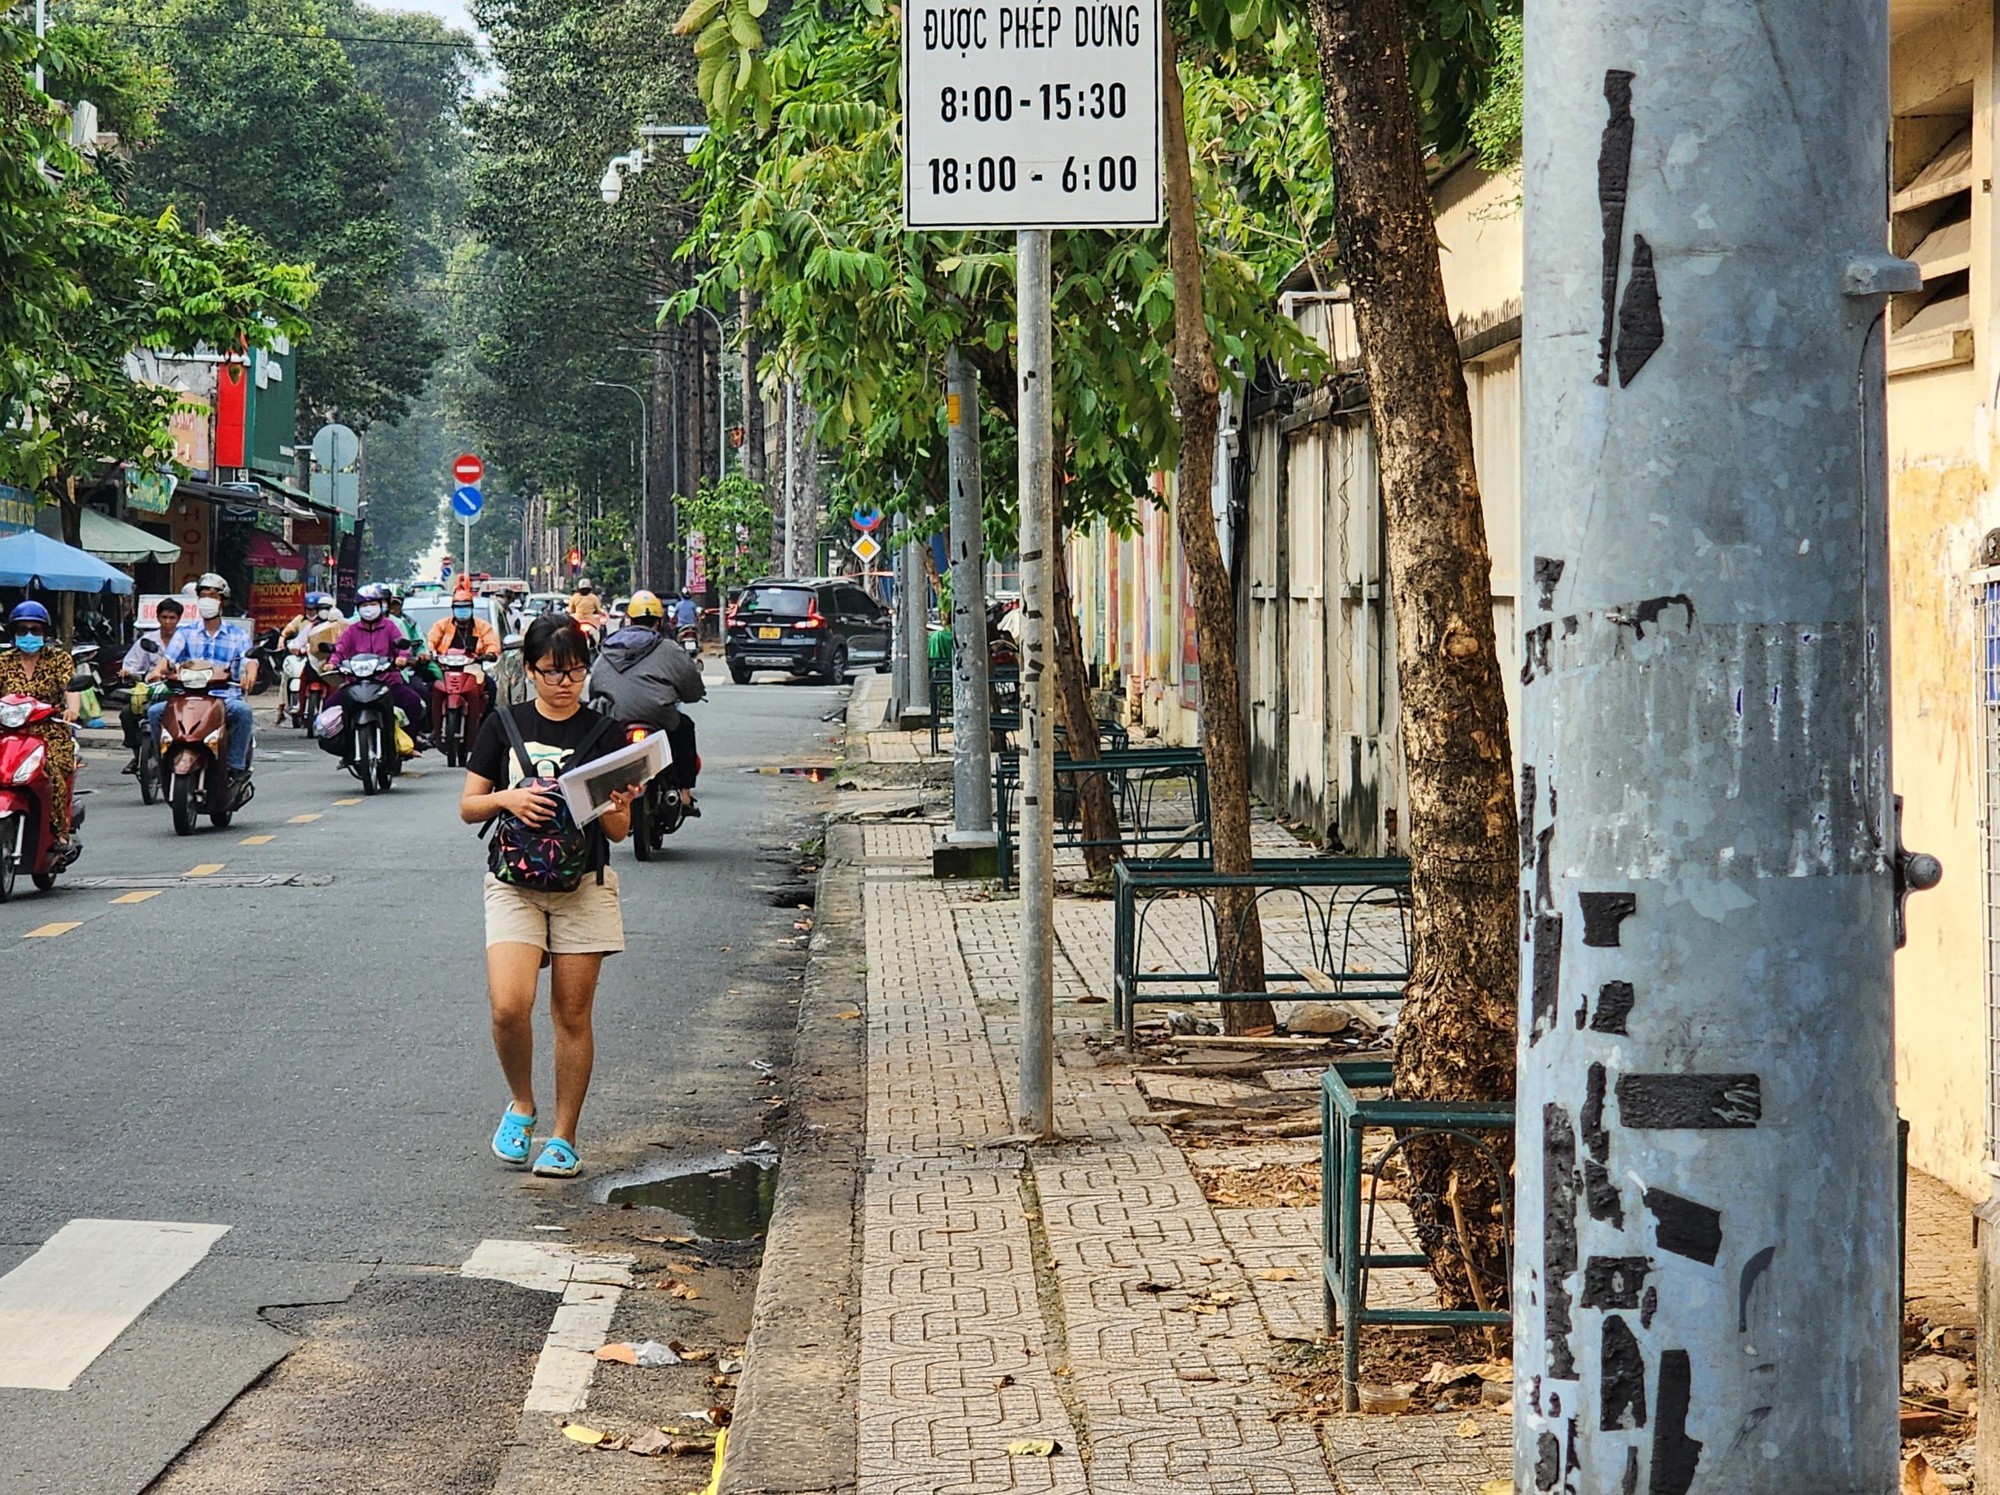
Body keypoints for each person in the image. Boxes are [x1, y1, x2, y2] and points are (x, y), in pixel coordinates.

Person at [459, 616, 638, 1179]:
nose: (566, 683)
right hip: (513, 883)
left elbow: (617, 834)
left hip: (583, 884)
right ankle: (522, 1104)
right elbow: (469, 807)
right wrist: (510, 799)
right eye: (553, 672)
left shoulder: (605, 733)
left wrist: (621, 802)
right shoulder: (503, 723)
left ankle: (563, 1136)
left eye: (576, 670)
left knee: (571, 1015)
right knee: (509, 1007)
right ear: (530, 670)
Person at [588, 589, 704, 815]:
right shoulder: (669, 649)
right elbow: (692, 687)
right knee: (684, 729)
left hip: (615, 718)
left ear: (629, 619)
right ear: (659, 622)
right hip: (659, 717)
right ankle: (685, 794)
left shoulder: (608, 648)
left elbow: (595, 689)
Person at [146, 573, 257, 792]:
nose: (207, 600)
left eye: (213, 595)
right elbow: (168, 659)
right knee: (155, 711)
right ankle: (164, 763)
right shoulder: (185, 633)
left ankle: (235, 767)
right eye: (203, 596)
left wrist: (250, 674)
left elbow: (249, 660)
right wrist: (157, 672)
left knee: (243, 712)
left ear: (222, 600)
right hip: (186, 698)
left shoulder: (237, 634)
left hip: (224, 697)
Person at [0, 602, 81, 852]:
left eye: (34, 630)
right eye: (22, 630)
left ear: (45, 633)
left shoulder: (58, 659)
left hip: (49, 730)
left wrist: (72, 710)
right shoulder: (3, 661)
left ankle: (59, 833)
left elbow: (71, 690)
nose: (28, 635)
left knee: (52, 771)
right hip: (9, 731)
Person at [327, 584, 430, 744]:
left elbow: (401, 645)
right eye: (364, 605)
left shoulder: (390, 626)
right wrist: (333, 663)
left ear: (381, 606)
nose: (369, 608)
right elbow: (340, 649)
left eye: (373, 604)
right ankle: (344, 744)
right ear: (358, 608)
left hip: (387, 683)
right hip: (356, 683)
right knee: (329, 706)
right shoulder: (351, 630)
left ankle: (408, 742)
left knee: (413, 702)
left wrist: (402, 657)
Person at [119, 595, 183, 771]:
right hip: (151, 689)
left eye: (172, 618)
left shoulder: (186, 640)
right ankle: (137, 755)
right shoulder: (147, 640)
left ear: (178, 619)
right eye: (164, 617)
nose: (168, 622)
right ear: (158, 618)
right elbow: (131, 663)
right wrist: (127, 672)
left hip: (179, 691)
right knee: (127, 713)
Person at [427, 581, 502, 708]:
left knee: (491, 687)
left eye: (465, 607)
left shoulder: (483, 626)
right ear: (453, 609)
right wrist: (430, 652)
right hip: (444, 668)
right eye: (458, 608)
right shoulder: (442, 625)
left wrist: (490, 654)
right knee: (428, 689)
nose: (462, 611)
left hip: (472, 668)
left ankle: (485, 723)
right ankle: (432, 724)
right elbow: (431, 641)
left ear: (472, 608)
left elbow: (492, 644)